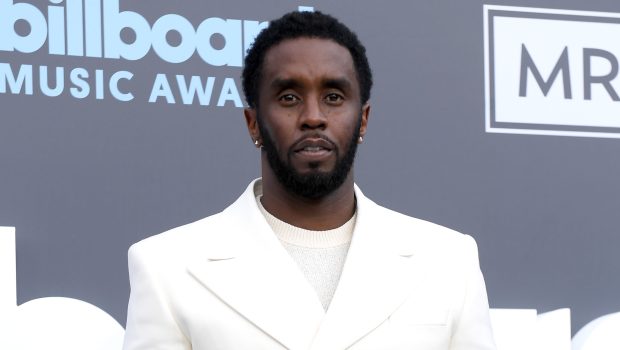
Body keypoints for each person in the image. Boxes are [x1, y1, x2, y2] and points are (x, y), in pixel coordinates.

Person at [122, 11, 496, 350]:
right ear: (253, 123)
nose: (313, 116)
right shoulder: (166, 267)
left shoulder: (448, 261)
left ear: (363, 119)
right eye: (288, 97)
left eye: (334, 96)